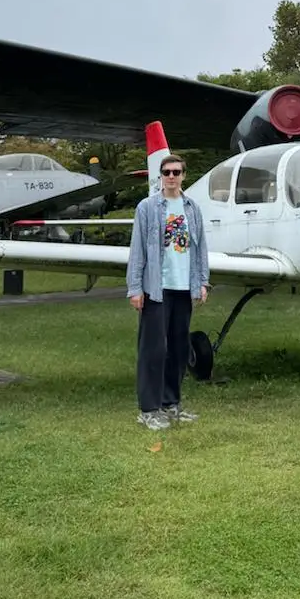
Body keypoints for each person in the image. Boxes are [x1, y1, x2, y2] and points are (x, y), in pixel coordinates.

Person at [125, 154, 209, 430]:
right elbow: (137, 249)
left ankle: (171, 404)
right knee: (154, 349)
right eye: (166, 172)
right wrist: (135, 288)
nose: (171, 177)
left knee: (178, 348)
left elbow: (200, 247)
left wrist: (202, 282)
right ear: (160, 176)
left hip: (184, 287)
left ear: (184, 175)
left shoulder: (192, 208)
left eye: (176, 172)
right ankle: (149, 409)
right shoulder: (147, 207)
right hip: (156, 289)